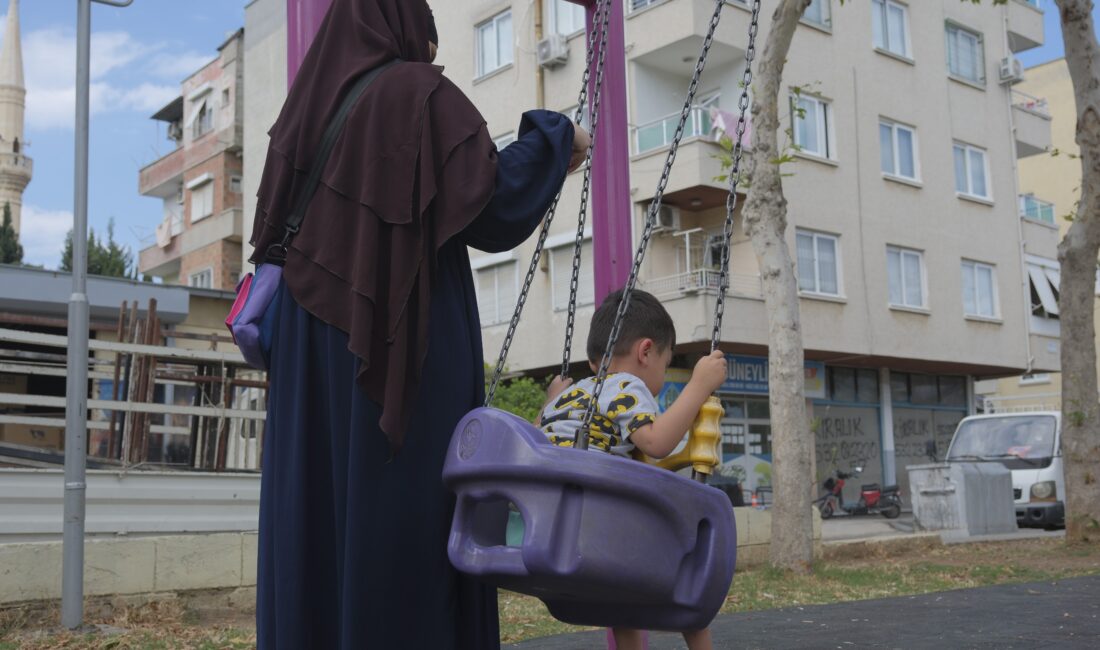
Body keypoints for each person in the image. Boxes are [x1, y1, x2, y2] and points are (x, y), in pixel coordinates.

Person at [249, 1, 591, 647]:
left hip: (308, 343)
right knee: (403, 519)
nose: (431, 51)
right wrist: (554, 139)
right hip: (391, 340)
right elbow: (489, 203)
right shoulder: (413, 93)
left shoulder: (302, 114)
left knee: (314, 517)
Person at [539, 289, 727, 650]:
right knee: (688, 581)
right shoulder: (626, 385)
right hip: (599, 527)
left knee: (622, 601)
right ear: (645, 352)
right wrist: (699, 385)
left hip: (551, 526)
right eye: (665, 361)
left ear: (594, 360)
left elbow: (536, 437)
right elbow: (656, 443)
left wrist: (550, 399)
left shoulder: (568, 395)